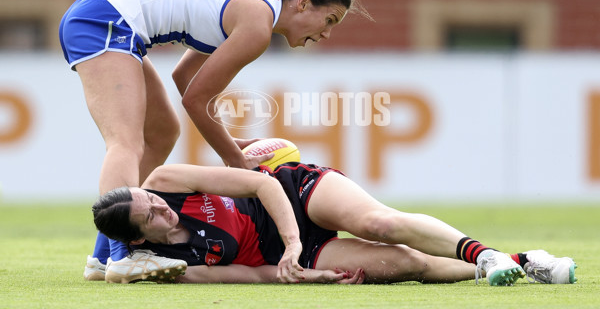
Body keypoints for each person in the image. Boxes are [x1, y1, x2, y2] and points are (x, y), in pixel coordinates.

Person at [59, 0, 365, 280]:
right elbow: (195, 98)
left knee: (162, 132)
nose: (326, 34)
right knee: (125, 143)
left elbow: (185, 79)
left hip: (107, 18)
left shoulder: (255, 5)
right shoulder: (257, 25)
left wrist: (231, 145)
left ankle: (103, 258)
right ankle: (124, 254)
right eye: (329, 20)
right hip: (104, 21)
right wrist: (236, 162)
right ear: (304, 3)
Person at [93, 162, 577, 285]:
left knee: (379, 223)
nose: (162, 206)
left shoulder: (166, 179)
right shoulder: (175, 264)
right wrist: (308, 273)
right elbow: (249, 275)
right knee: (402, 265)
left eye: (152, 199)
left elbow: (261, 186)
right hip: (288, 255)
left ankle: (484, 253)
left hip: (293, 194)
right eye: (151, 214)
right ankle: (526, 262)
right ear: (138, 238)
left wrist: (289, 242)